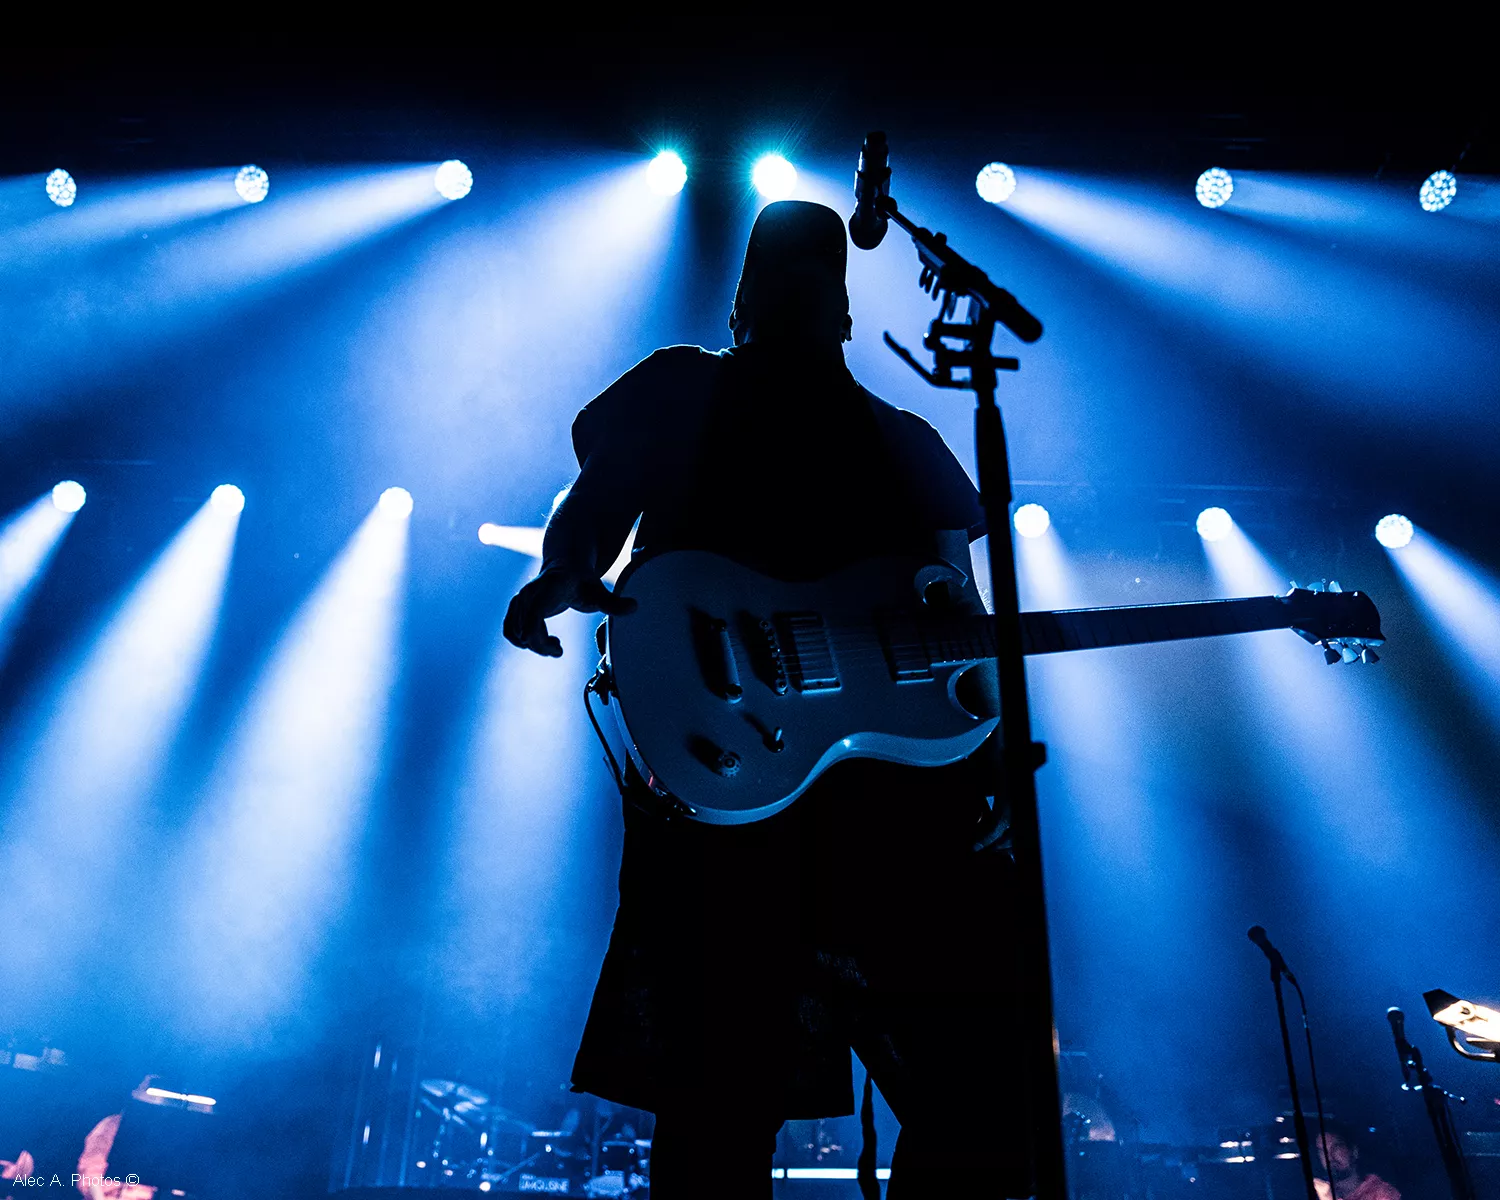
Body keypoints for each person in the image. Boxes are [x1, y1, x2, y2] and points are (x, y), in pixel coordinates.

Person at [504, 200, 1027, 1198]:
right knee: (721, 1094)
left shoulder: (903, 438)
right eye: (782, 278)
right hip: (733, 787)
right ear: (750, 303)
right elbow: (595, 502)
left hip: (888, 805)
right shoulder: (683, 389)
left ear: (833, 306)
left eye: (813, 278)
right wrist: (567, 567)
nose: (798, 297)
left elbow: (960, 617)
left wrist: (992, 760)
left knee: (978, 1087)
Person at [1313, 1123, 1400, 1200]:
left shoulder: (1381, 1193)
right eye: (1322, 1151)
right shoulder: (1318, 1192)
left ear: (1354, 1152)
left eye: (1336, 1148)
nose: (1329, 1156)